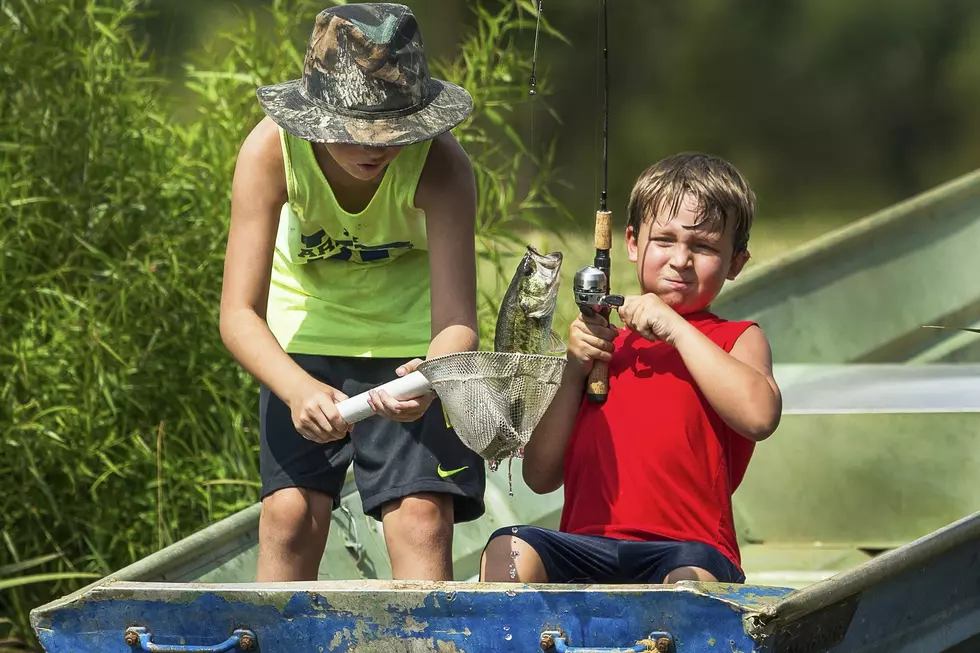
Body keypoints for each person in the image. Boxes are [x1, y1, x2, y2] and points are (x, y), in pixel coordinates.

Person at [219, 3, 486, 583]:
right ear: (315, 118)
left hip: (412, 347)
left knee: (421, 519)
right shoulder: (270, 151)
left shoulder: (441, 166)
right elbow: (238, 315)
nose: (379, 146)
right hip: (303, 342)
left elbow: (458, 320)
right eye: (358, 131)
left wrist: (429, 379)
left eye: (396, 129)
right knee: (289, 518)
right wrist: (296, 389)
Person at [480, 152, 782, 585]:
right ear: (632, 243)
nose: (681, 259)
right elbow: (541, 475)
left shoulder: (735, 339)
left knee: (688, 583)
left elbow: (759, 416)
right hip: (586, 547)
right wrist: (573, 371)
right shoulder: (601, 343)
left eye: (704, 247)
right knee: (507, 549)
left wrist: (675, 328)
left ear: (736, 263)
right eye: (664, 240)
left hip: (687, 551)